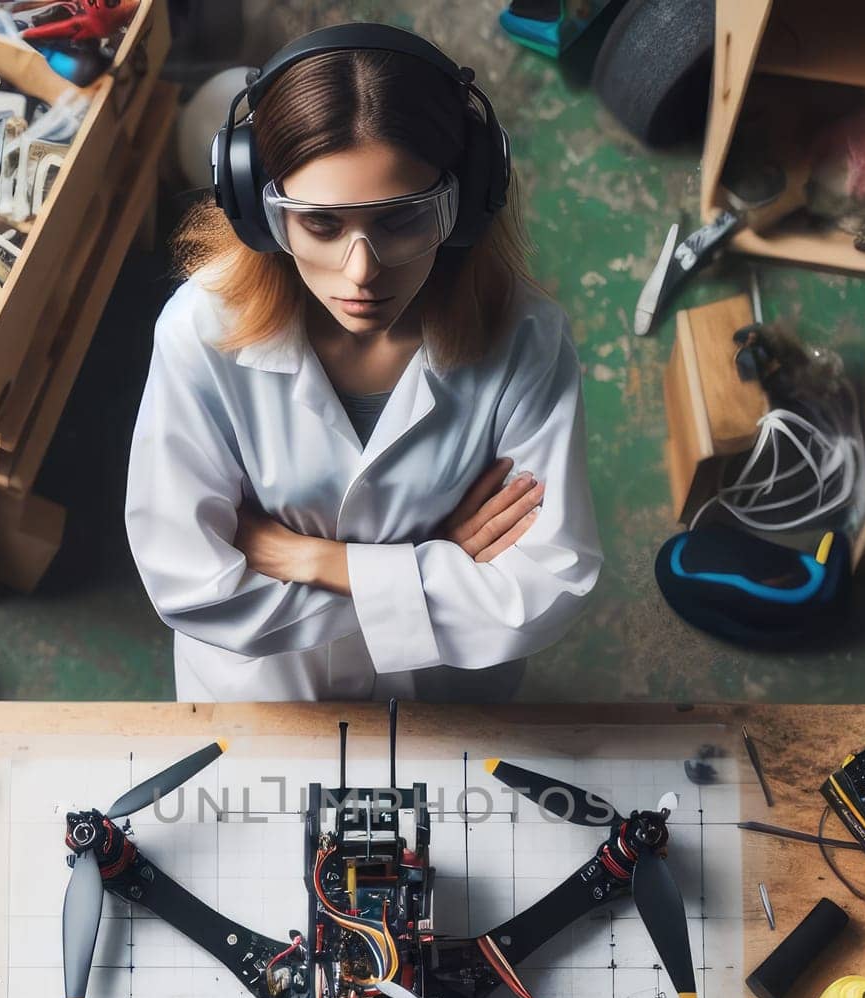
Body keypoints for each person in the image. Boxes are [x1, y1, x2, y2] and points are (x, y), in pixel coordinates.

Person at [125, 23, 601, 702]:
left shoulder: (527, 340)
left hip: (443, 697)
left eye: (400, 219)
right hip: (266, 693)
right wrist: (432, 565)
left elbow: (550, 581)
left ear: (464, 202)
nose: (361, 271)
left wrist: (313, 560)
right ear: (259, 211)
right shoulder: (200, 333)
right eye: (320, 224)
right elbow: (191, 585)